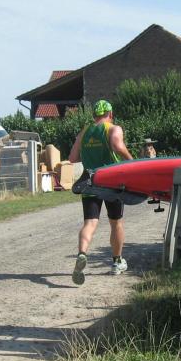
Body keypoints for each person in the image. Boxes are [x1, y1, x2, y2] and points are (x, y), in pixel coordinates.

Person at [68, 99, 133, 284]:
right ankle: (117, 262)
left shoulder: (84, 132)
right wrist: (131, 161)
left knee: (90, 223)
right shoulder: (113, 128)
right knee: (116, 223)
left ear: (94, 115)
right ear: (110, 114)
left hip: (90, 182)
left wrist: (90, 154)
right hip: (112, 182)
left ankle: (82, 253)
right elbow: (117, 146)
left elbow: (72, 158)